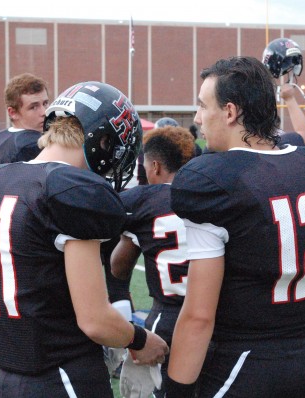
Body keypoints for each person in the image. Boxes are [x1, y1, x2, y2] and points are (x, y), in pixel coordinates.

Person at [0, 81, 168, 398]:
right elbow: (95, 320)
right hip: (64, 374)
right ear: (102, 139)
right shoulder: (69, 189)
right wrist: (140, 340)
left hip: (8, 376)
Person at [164, 56, 305, 398]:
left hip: (240, 368)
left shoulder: (217, 180)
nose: (197, 118)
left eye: (203, 106)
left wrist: (174, 392)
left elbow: (198, 318)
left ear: (231, 112)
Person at [111, 125, 195, 398]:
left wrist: (132, 236)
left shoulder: (142, 201)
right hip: (218, 315)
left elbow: (118, 268)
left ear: (155, 166)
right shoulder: (211, 194)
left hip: (168, 316)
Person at [0, 72, 49, 165]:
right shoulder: (32, 144)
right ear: (13, 112)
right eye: (33, 107)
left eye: (45, 103)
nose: (44, 112)